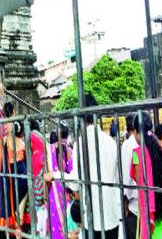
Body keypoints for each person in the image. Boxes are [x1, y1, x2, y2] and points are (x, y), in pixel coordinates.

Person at [46, 94, 121, 239]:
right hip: (112, 215)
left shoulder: (81, 143)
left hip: (93, 219)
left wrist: (55, 175)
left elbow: (75, 182)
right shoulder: (110, 142)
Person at [131, 113, 162, 239]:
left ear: (136, 131)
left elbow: (140, 184)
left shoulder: (137, 153)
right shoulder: (161, 150)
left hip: (150, 220)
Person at [121, 113, 139, 239]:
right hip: (147, 201)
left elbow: (127, 176)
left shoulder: (128, 145)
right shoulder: (147, 140)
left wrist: (125, 199)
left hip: (133, 204)